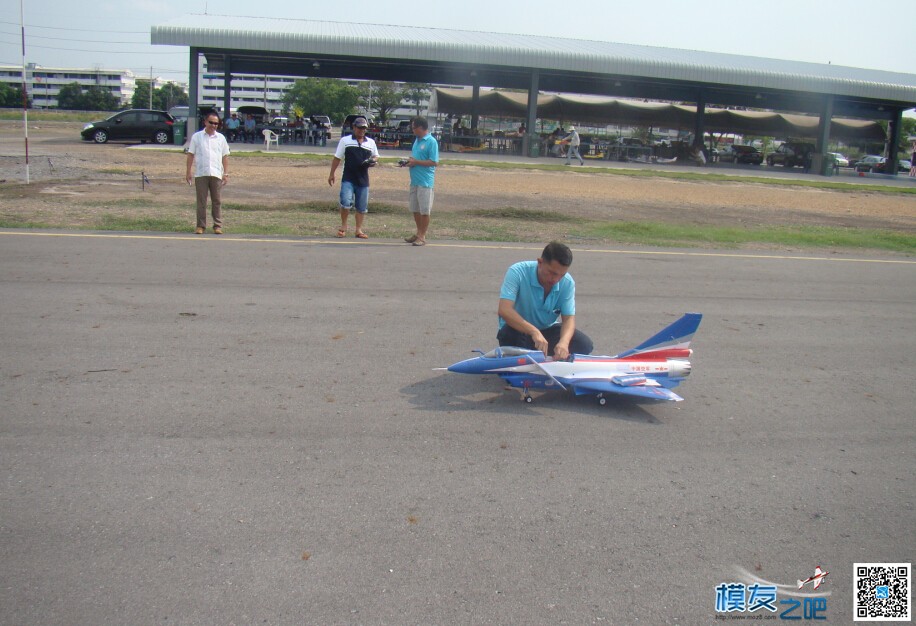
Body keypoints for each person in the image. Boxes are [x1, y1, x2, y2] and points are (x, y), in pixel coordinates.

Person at [496, 241, 593, 360]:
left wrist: (564, 343)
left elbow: (568, 319)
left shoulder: (567, 283)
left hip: (547, 331)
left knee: (584, 345)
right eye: (552, 273)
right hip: (520, 331)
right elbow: (504, 310)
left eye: (561, 275)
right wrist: (533, 331)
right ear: (540, 262)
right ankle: (525, 362)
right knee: (509, 335)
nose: (556, 279)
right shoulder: (517, 272)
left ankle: (549, 359)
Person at [327, 116, 379, 239]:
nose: (362, 130)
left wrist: (372, 161)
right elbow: (337, 158)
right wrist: (331, 173)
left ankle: (358, 230)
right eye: (359, 128)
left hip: (363, 178)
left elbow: (376, 156)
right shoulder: (345, 141)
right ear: (354, 128)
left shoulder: (370, 142)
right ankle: (343, 226)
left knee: (361, 206)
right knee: (345, 202)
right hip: (349, 177)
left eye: (364, 128)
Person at [186, 112, 231, 235]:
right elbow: (191, 154)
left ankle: (217, 226)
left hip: (216, 173)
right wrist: (188, 171)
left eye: (216, 123)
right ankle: (201, 226)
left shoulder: (221, 138)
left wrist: (225, 173)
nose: (213, 125)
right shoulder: (197, 137)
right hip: (201, 173)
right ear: (205, 122)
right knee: (201, 201)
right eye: (211, 122)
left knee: (216, 201)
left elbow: (225, 156)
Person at [403, 116, 439, 246]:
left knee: (424, 210)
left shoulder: (431, 141)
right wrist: (409, 162)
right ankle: (418, 232)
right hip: (414, 180)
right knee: (415, 208)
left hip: (425, 181)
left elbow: (434, 162)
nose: (412, 130)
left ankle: (422, 236)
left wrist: (416, 162)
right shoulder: (416, 141)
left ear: (420, 128)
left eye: (413, 127)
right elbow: (415, 158)